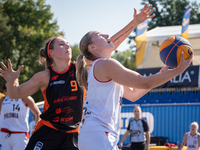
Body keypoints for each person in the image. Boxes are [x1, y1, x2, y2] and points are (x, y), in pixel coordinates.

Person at [76, 4, 193, 150]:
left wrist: (159, 76)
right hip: (98, 134)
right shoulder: (105, 65)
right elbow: (143, 83)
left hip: (97, 134)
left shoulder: (102, 67)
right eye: (100, 35)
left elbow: (133, 94)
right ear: (92, 48)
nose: (106, 35)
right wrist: (178, 71)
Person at [0, 35, 86, 150]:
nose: (68, 46)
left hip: (71, 133)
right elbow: (15, 94)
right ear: (51, 52)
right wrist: (11, 82)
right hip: (48, 130)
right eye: (61, 44)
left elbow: (100, 51)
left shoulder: (80, 68)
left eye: (67, 43)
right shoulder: (44, 76)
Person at [0, 79, 41, 150]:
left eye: (15, 81)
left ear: (18, 84)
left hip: (20, 135)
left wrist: (35, 127)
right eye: (10, 81)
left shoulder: (25, 98)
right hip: (4, 134)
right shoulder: (2, 100)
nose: (13, 83)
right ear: (6, 84)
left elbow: (37, 113)